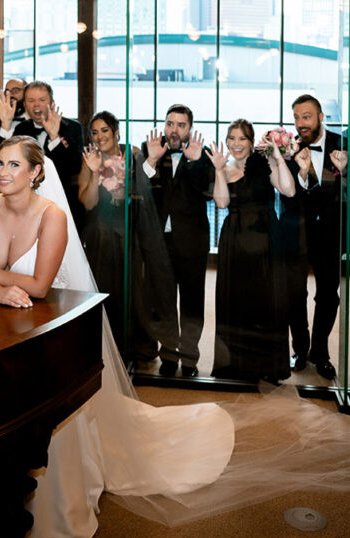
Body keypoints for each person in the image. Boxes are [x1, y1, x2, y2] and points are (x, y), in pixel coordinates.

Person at [0, 136, 235, 538]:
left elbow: (38, 285)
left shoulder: (52, 216)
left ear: (36, 173)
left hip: (38, 328)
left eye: (15, 165)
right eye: (0, 163)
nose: (3, 172)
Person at [78, 111, 179, 366]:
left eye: (105, 130)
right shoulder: (90, 158)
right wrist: (92, 172)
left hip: (129, 231)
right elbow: (88, 202)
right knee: (102, 287)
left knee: (134, 290)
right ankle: (103, 346)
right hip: (100, 232)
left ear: (115, 132)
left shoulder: (132, 153)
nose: (100, 136)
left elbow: (145, 184)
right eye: (95, 131)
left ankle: (138, 347)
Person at [281, 94, 350, 380]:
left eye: (306, 116)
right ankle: (299, 350)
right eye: (296, 117)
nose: (300, 123)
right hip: (298, 231)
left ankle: (320, 351)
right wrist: (303, 174)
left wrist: (345, 171)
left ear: (320, 117)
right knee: (294, 294)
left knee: (329, 295)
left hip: (330, 233)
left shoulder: (346, 145)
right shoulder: (287, 148)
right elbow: (288, 194)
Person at [208, 119, 296, 382]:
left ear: (250, 141)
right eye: (231, 138)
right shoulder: (224, 167)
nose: (236, 143)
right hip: (235, 237)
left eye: (241, 138)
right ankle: (236, 365)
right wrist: (218, 171)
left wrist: (278, 157)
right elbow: (221, 203)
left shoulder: (263, 163)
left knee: (267, 300)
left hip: (266, 236)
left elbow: (289, 190)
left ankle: (267, 366)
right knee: (236, 299)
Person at [140, 104, 215, 377]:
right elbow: (140, 191)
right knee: (163, 302)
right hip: (159, 242)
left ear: (189, 128)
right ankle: (169, 356)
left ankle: (190, 359)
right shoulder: (152, 148)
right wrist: (150, 161)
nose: (174, 130)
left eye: (181, 125)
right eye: (170, 123)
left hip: (192, 242)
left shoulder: (203, 154)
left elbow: (208, 194)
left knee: (193, 302)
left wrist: (194, 163)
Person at [0, 80, 86, 228]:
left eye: (42, 100)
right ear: (25, 104)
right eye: (31, 100)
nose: (37, 105)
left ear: (52, 102)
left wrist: (55, 138)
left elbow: (74, 168)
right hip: (25, 208)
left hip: (62, 203)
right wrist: (5, 125)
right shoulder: (21, 128)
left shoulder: (73, 128)